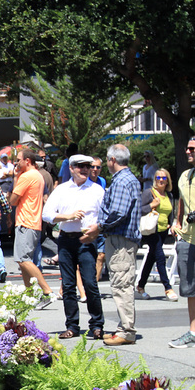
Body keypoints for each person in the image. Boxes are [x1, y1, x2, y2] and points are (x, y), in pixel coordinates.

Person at [83, 143, 141, 346]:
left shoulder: (122, 181)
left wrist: (99, 226)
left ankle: (126, 330)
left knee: (122, 284)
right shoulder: (125, 179)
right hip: (120, 239)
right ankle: (122, 328)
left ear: (112, 160)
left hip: (120, 240)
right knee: (120, 282)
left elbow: (118, 212)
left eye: (107, 160)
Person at [43, 155, 106, 340]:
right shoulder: (62, 189)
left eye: (88, 166)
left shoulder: (97, 190)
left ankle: (97, 325)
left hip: (86, 240)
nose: (85, 169)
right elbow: (47, 214)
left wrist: (97, 229)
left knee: (90, 284)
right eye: (81, 166)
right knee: (69, 285)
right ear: (71, 168)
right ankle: (72, 326)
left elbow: (105, 216)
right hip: (66, 239)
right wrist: (68, 216)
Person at [10, 149, 54, 306]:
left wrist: (16, 177)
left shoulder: (27, 176)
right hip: (33, 222)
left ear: (27, 161)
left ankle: (46, 291)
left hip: (26, 222)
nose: (16, 163)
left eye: (19, 160)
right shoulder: (38, 175)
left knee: (23, 260)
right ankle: (30, 296)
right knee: (24, 261)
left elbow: (13, 200)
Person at [168, 138, 195, 348]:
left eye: (192, 148)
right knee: (190, 289)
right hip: (188, 239)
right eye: (187, 148)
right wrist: (177, 224)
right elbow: (182, 203)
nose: (187, 151)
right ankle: (193, 332)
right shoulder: (186, 176)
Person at [137, 168, 178, 302]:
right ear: (155, 180)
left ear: (168, 181)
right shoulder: (149, 193)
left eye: (164, 178)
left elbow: (170, 212)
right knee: (160, 257)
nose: (161, 180)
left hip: (163, 231)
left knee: (151, 257)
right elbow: (138, 210)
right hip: (151, 230)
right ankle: (168, 288)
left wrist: (171, 224)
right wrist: (151, 205)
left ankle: (140, 286)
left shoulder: (169, 195)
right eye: (158, 178)